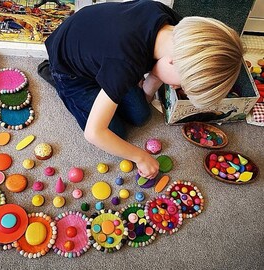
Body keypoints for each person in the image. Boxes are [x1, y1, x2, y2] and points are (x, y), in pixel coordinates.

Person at [38, 0, 244, 179]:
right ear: (173, 62)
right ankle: (52, 75)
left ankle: (105, 84)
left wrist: (155, 76)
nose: (176, 87)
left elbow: (149, 87)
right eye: (182, 83)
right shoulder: (124, 62)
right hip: (71, 70)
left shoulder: (179, 30)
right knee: (116, 132)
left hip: (102, 56)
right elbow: (94, 133)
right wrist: (140, 156)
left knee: (141, 115)